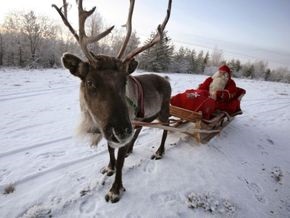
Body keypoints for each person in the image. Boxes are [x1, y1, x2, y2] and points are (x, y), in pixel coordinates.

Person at [171, 64, 246, 119]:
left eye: (224, 73)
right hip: (206, 94)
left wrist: (218, 94)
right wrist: (201, 92)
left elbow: (230, 93)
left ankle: (198, 113)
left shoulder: (230, 83)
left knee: (204, 102)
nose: (221, 74)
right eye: (220, 72)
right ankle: (175, 100)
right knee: (192, 94)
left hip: (218, 99)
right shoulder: (210, 79)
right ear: (217, 72)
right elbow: (203, 87)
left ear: (227, 75)